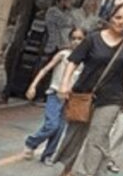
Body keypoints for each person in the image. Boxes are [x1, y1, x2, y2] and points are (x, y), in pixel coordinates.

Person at [54, 3, 123, 176]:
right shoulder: (92, 39)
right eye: (118, 17)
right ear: (110, 17)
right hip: (84, 92)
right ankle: (67, 167)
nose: (121, 22)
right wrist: (64, 85)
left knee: (99, 135)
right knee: (76, 132)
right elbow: (73, 62)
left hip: (113, 96)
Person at [24, 27, 85, 164]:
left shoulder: (85, 60)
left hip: (71, 98)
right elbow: (45, 69)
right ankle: (31, 142)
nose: (76, 42)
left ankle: (47, 155)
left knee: (60, 128)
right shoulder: (63, 54)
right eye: (74, 38)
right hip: (55, 93)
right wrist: (33, 85)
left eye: (80, 39)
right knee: (52, 124)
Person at [44, 0, 77, 64]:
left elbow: (74, 23)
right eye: (70, 2)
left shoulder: (67, 13)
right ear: (63, 1)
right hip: (53, 43)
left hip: (62, 44)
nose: (71, 5)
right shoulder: (53, 11)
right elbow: (65, 22)